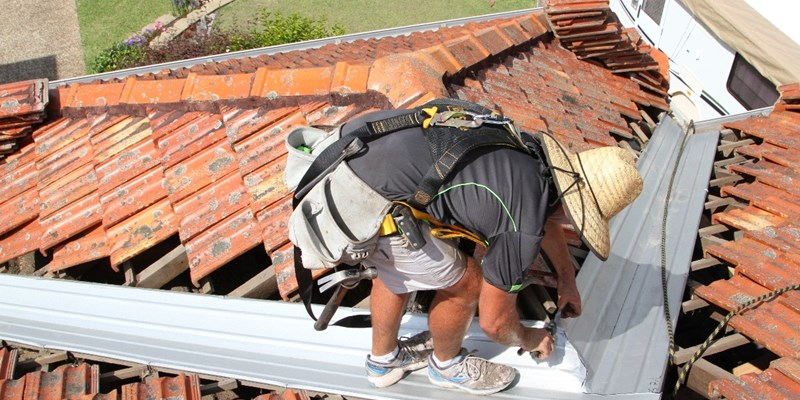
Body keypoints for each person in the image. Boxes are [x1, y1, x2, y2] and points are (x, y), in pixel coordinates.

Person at [300, 100, 643, 395]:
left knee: (398, 268)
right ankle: (446, 367)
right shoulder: (521, 224)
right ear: (576, 210)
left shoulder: (529, 151)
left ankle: (383, 363)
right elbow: (495, 324)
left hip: (353, 154)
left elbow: (545, 214)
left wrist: (567, 277)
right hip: (362, 199)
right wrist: (530, 338)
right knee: (469, 284)